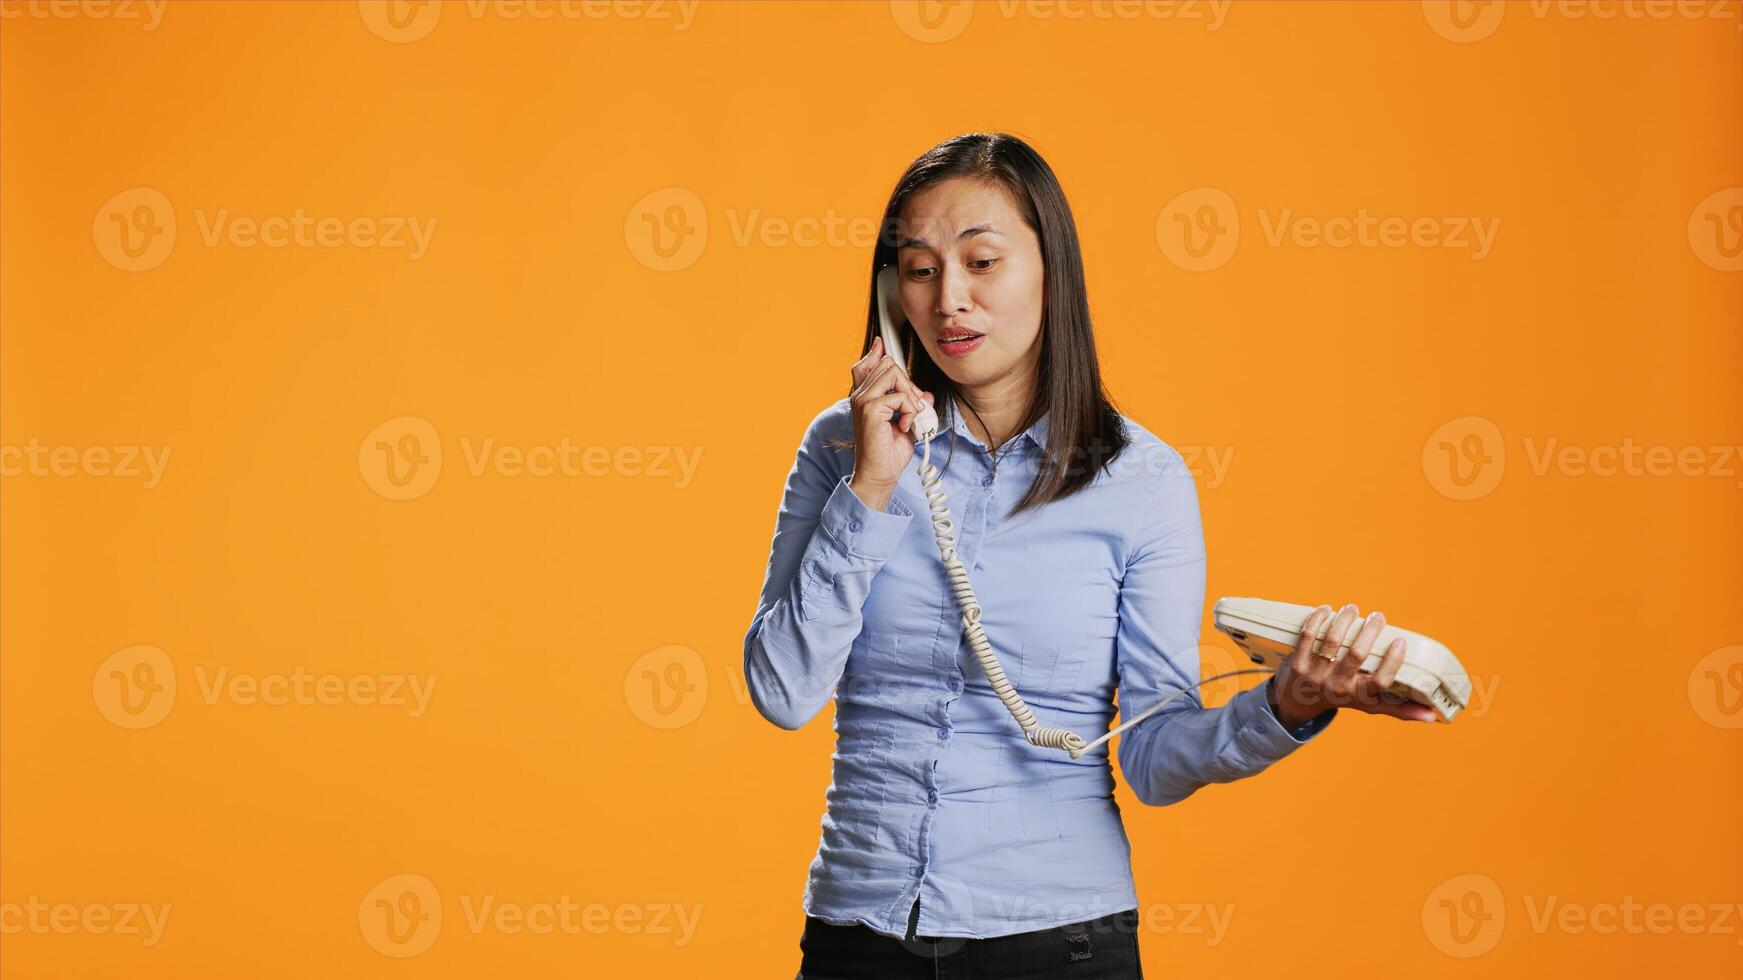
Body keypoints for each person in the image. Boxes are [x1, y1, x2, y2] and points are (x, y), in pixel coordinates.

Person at [741, 132, 1436, 979]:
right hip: (858, 934)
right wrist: (871, 488)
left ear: (1049, 272)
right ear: (893, 294)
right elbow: (782, 691)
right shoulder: (840, 450)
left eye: (982, 262)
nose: (949, 300)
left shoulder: (1142, 481)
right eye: (920, 271)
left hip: (1059, 944)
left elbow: (1151, 757)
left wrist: (1283, 707)